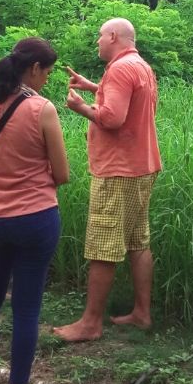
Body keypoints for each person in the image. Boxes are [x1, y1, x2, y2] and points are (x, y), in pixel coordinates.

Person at [0, 38, 69, 384]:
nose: (48, 79)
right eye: (47, 72)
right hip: (35, 218)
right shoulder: (43, 110)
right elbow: (62, 174)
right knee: (26, 309)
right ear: (33, 69)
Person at [53, 18, 162, 342]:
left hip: (119, 170)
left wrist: (81, 107)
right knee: (138, 242)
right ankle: (142, 313)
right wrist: (93, 87)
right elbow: (126, 103)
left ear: (113, 36)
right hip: (142, 166)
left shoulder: (119, 69)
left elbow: (112, 118)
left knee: (103, 246)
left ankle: (90, 323)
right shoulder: (139, 65)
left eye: (100, 36)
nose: (97, 41)